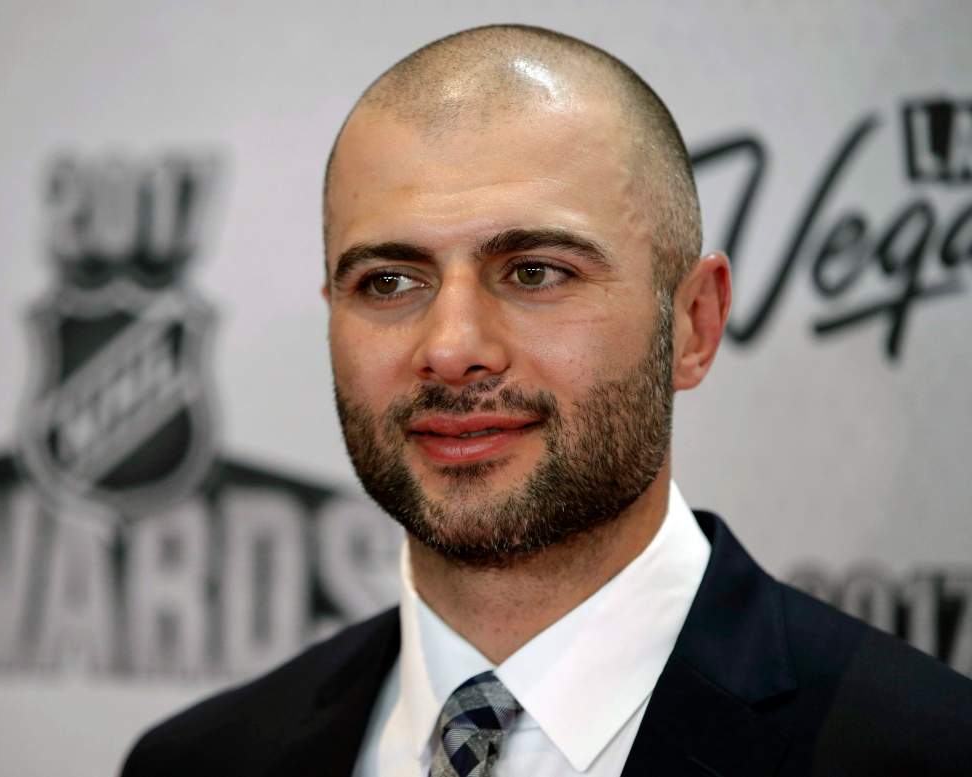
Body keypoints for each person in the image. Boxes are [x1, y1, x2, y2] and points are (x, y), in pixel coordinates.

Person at [121, 24, 972, 776]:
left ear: (694, 324)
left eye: (535, 271)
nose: (451, 349)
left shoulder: (927, 751)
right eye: (388, 281)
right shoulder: (200, 760)